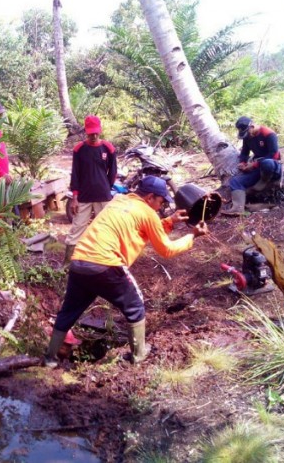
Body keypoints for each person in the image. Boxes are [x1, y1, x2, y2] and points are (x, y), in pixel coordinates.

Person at [45, 176, 209, 367]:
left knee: (69, 312)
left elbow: (142, 230)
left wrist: (169, 221)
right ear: (150, 197)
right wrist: (192, 236)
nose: (161, 205)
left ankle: (49, 358)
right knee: (136, 307)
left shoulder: (119, 200)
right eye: (161, 201)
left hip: (80, 262)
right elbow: (167, 250)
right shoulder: (148, 213)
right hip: (106, 264)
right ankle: (139, 355)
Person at [64, 115, 117, 264]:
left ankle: (105, 261)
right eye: (90, 132)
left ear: (100, 131)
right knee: (77, 229)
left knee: (105, 228)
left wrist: (106, 188)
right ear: (86, 131)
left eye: (96, 132)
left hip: (103, 196)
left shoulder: (109, 148)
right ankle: (69, 264)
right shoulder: (79, 149)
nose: (93, 135)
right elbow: (75, 175)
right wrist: (74, 198)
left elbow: (112, 173)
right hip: (84, 197)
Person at [221, 116, 283, 216]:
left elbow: (274, 155)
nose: (247, 135)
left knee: (267, 162)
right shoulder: (248, 137)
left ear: (252, 126)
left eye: (247, 132)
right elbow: (245, 152)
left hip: (272, 167)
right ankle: (238, 208)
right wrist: (243, 162)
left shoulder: (269, 134)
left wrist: (253, 165)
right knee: (235, 181)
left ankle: (264, 180)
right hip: (258, 168)